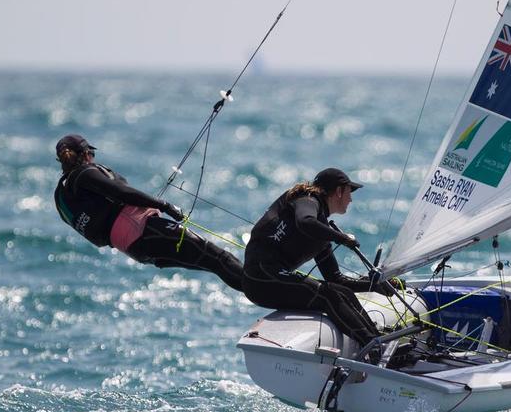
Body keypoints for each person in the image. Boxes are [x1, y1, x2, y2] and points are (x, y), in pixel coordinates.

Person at [53, 134, 245, 291]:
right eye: (91, 154)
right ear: (86, 153)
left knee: (214, 263)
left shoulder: (63, 195)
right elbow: (121, 193)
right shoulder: (85, 173)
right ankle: (263, 290)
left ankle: (259, 290)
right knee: (219, 258)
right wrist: (165, 206)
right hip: (145, 230)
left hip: (136, 249)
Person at [243, 168, 396, 357]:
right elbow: (305, 221)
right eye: (349, 192)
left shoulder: (321, 229)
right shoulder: (307, 200)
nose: (351, 199)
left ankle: (377, 339)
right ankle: (373, 347)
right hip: (260, 278)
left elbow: (337, 279)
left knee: (342, 292)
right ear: (339, 191)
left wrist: (374, 285)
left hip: (273, 278)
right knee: (327, 296)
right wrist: (342, 237)